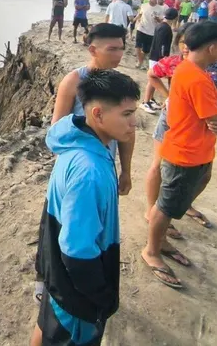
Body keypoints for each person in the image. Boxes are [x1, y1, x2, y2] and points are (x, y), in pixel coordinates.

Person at [31, 69, 140, 346]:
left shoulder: (78, 142)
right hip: (77, 294)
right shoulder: (89, 172)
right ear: (98, 115)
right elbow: (78, 251)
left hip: (60, 278)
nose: (134, 122)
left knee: (47, 328)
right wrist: (101, 299)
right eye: (126, 114)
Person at [142, 22, 217, 288]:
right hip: (185, 152)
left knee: (188, 190)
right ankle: (151, 249)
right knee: (166, 204)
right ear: (212, 47)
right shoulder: (196, 77)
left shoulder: (194, 71)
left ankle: (159, 238)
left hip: (197, 150)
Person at [52, 23, 135, 192]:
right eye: (112, 49)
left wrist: (126, 171)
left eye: (121, 48)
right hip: (80, 171)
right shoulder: (73, 81)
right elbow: (57, 130)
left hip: (106, 165)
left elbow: (128, 131)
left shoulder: (120, 84)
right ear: (92, 50)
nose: (119, 54)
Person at [140, 8, 179, 113]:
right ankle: (145, 102)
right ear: (175, 17)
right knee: (152, 79)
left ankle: (151, 100)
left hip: (155, 55)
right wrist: (163, 58)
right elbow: (161, 45)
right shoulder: (165, 28)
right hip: (157, 57)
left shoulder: (161, 25)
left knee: (154, 79)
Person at [134, 0, 165, 70]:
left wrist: (157, 19)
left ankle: (141, 61)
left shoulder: (160, 9)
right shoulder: (144, 6)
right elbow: (140, 14)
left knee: (146, 50)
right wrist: (134, 20)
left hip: (152, 31)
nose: (150, 0)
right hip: (141, 28)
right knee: (137, 46)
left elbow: (162, 21)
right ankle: (140, 62)